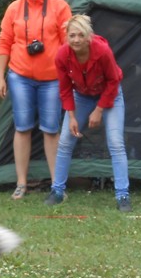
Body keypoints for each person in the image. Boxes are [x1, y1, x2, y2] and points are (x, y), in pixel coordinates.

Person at [0, 0, 72, 200]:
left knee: (51, 130)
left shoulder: (60, 6)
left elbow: (68, 43)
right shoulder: (14, 8)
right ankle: (21, 183)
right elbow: (4, 43)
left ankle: (57, 185)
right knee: (22, 127)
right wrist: (1, 77)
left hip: (52, 78)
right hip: (20, 76)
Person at [50, 15, 131, 212]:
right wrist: (71, 117)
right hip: (82, 96)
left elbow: (113, 81)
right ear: (67, 37)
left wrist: (99, 110)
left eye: (80, 35)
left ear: (88, 37)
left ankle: (122, 195)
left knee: (115, 143)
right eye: (72, 36)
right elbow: (65, 89)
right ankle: (57, 191)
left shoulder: (102, 51)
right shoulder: (62, 55)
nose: (76, 40)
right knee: (66, 141)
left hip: (109, 95)